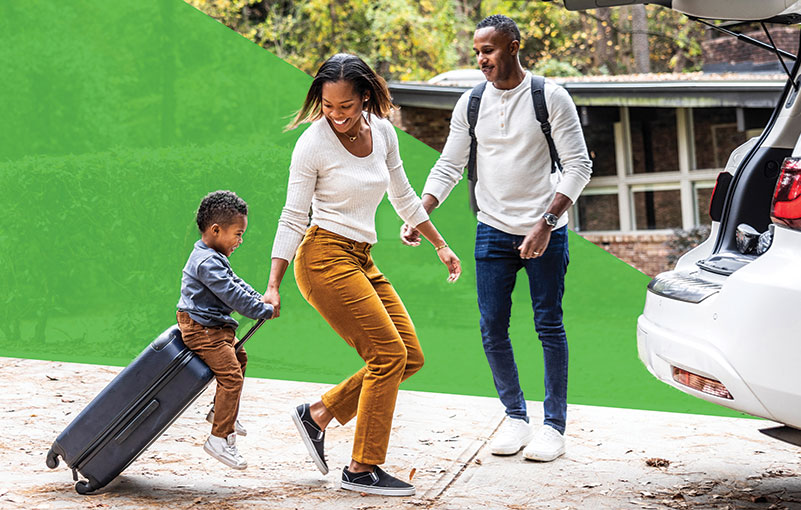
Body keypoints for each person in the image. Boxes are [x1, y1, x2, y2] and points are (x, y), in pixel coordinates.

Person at [265, 53, 461, 497]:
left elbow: (403, 195)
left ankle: (318, 413)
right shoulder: (312, 144)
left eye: (346, 107)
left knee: (409, 355)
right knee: (387, 356)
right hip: (322, 257)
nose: (336, 116)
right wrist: (273, 284)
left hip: (360, 258)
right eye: (329, 106)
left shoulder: (385, 132)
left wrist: (440, 244)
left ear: (366, 97)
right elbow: (292, 216)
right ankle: (361, 469)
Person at [402, 14, 592, 462]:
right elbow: (448, 166)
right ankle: (515, 417)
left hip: (545, 229)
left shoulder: (550, 97)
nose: (482, 59)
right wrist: (419, 212)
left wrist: (545, 222)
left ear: (513, 45)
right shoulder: (470, 103)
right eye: (477, 52)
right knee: (492, 328)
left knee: (548, 325)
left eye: (488, 50)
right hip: (491, 229)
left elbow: (579, 166)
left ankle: (554, 427)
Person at [176, 190, 274, 469]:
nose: (240, 241)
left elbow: (236, 282)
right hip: (202, 329)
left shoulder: (212, 255)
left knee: (239, 358)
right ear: (216, 230)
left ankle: (222, 411)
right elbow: (231, 294)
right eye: (238, 234)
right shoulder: (207, 262)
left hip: (211, 327)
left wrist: (259, 298)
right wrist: (260, 309)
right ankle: (219, 438)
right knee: (231, 376)